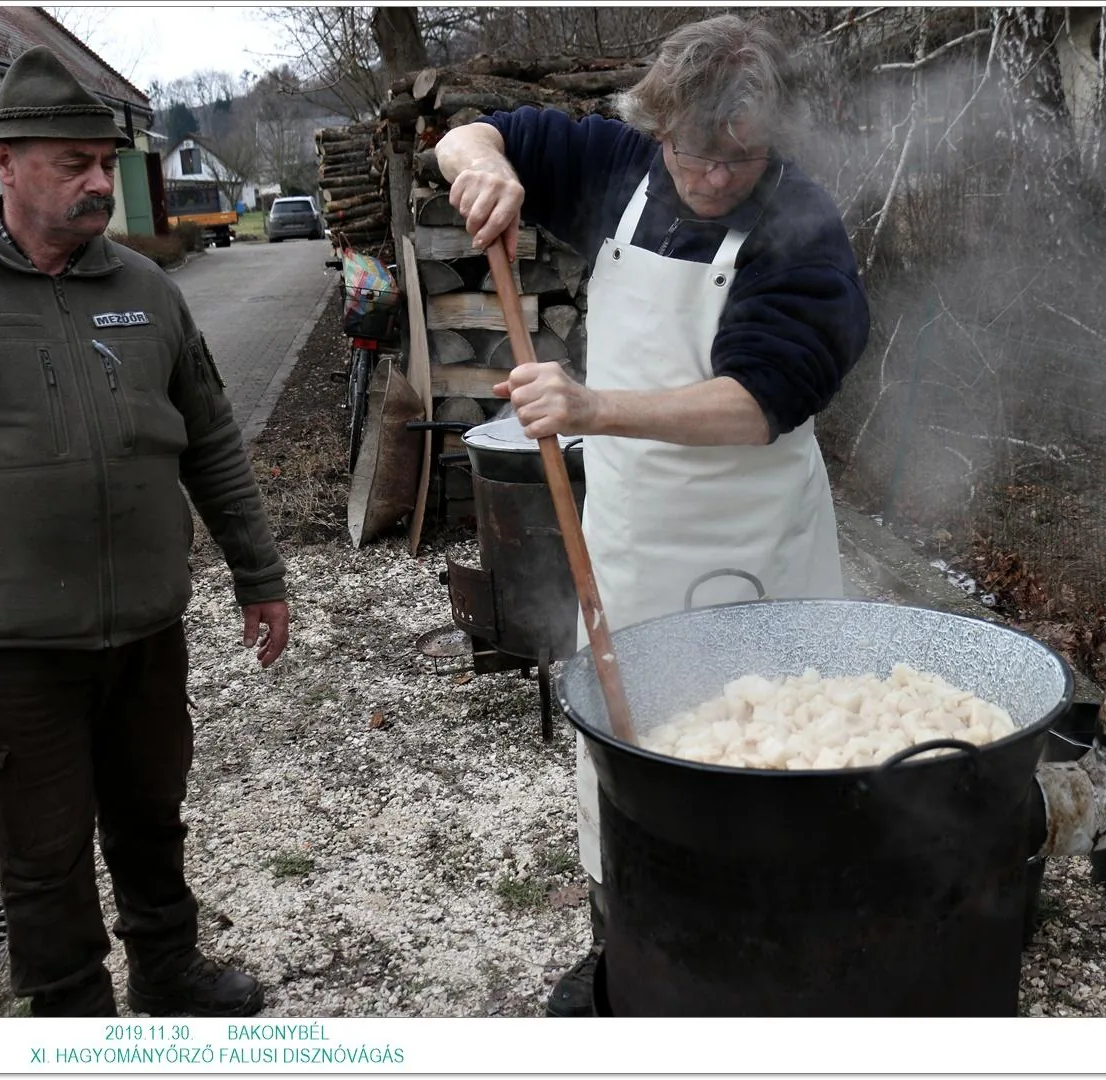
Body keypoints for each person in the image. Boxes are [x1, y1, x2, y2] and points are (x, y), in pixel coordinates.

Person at [0, 46, 290, 1018]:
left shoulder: (149, 291)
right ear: (5, 161)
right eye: (69, 162)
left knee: (151, 818)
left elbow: (210, 440)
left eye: (102, 164)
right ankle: (71, 1013)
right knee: (41, 850)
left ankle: (168, 969)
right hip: (10, 645)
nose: (94, 183)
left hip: (148, 630)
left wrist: (258, 572)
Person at [435, 14, 871, 1016]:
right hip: (633, 534)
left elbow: (757, 402)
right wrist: (480, 168)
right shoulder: (617, 167)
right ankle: (631, 941)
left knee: (764, 760)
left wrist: (591, 408)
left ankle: (767, 959)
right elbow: (467, 133)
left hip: (754, 547)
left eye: (737, 157)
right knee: (628, 755)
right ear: (655, 123)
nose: (712, 177)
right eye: (691, 151)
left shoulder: (801, 229)